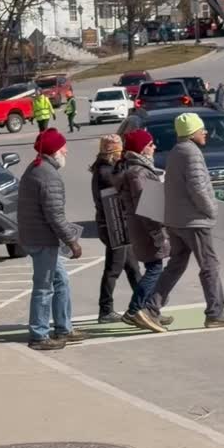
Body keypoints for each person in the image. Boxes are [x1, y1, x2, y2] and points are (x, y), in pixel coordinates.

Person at [134, 113, 224, 332]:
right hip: (194, 220)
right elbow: (198, 187)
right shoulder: (192, 153)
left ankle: (150, 309)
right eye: (202, 129)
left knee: (176, 264)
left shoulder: (177, 151)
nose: (205, 132)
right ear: (193, 133)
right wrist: (212, 211)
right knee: (209, 265)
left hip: (177, 219)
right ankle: (215, 313)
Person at [18, 128, 82, 350]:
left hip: (36, 236)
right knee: (44, 287)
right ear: (54, 150)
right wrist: (72, 240)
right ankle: (38, 335)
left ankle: (63, 328)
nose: (67, 150)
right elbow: (54, 214)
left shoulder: (37, 168)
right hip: (42, 239)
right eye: (63, 147)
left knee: (60, 281)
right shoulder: (47, 174)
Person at [114, 130, 173, 328]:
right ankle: (135, 310)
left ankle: (149, 309)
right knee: (154, 269)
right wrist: (157, 232)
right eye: (150, 144)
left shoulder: (137, 169)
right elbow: (147, 206)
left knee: (153, 267)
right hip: (146, 229)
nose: (154, 147)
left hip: (142, 227)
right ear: (141, 148)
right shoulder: (138, 172)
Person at [90, 134, 141, 324]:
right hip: (113, 226)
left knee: (133, 267)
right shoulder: (105, 172)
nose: (122, 155)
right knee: (113, 268)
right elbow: (119, 190)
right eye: (120, 152)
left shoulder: (105, 169)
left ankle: (144, 304)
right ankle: (106, 310)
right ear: (113, 152)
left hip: (116, 225)